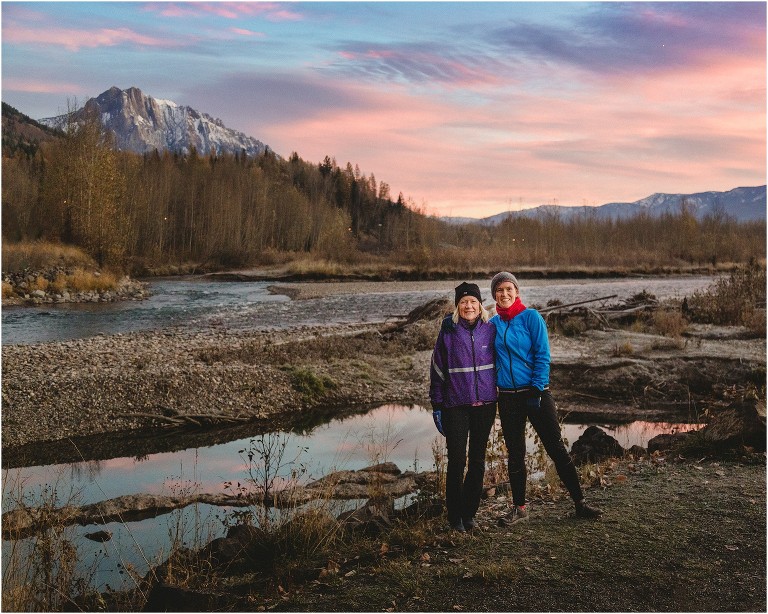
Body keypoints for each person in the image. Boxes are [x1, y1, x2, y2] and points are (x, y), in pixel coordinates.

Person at [490, 271, 603, 522]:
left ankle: (580, 503)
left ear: (517, 292)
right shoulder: (493, 325)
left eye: (509, 289)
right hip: (507, 397)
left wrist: (537, 388)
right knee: (516, 453)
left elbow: (543, 355)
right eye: (499, 290)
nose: (504, 293)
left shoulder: (531, 318)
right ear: (494, 295)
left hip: (535, 394)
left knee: (556, 448)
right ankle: (519, 509)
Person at [429, 282, 498, 532]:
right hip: (455, 406)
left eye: (473, 301)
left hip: (486, 405)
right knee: (457, 461)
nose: (469, 306)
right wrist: (437, 404)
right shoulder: (448, 331)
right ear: (458, 306)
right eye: (463, 302)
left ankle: (469, 514)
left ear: (480, 304)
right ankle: (454, 517)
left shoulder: (491, 329)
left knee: (477, 460)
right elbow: (437, 370)